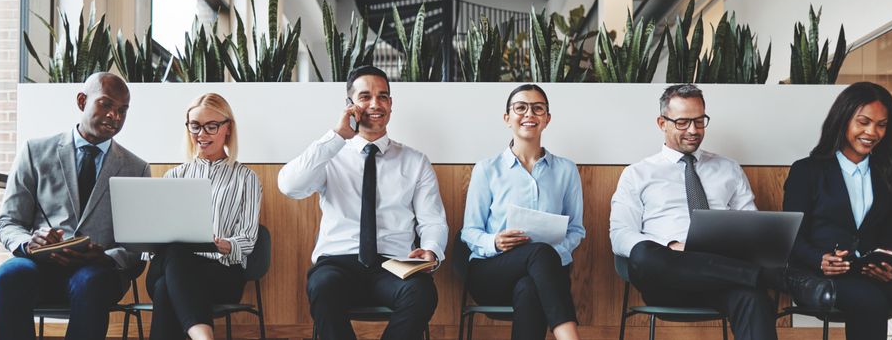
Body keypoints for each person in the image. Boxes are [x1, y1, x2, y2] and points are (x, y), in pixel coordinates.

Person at [609, 84, 835, 340]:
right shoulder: (637, 174)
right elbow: (620, 236)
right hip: (668, 279)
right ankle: (778, 279)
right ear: (662, 123)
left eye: (699, 121)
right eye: (682, 122)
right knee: (643, 254)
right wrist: (670, 246)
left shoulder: (728, 169)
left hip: (724, 280)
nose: (693, 130)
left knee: (752, 297)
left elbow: (753, 228)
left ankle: (761, 278)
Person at [278, 65, 448, 340]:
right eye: (365, 96)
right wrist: (336, 136)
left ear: (391, 105)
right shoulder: (330, 154)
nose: (375, 104)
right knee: (322, 286)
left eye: (383, 97)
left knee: (422, 292)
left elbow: (433, 220)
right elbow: (289, 185)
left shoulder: (415, 161)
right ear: (350, 105)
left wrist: (431, 249)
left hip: (394, 265)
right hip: (337, 263)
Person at [783, 82, 892, 339]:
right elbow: (791, 238)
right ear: (843, 120)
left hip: (870, 273)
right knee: (870, 300)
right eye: (863, 122)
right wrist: (820, 259)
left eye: (881, 125)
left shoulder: (887, 172)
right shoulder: (807, 171)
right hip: (822, 274)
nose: (872, 132)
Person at [0, 72, 151, 340]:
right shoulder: (34, 151)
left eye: (123, 110)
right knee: (10, 274)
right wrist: (29, 243)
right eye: (106, 104)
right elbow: (8, 222)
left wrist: (104, 256)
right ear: (82, 101)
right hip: (39, 265)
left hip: (97, 273)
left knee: (92, 282)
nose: (115, 116)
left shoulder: (137, 168)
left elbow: (137, 249)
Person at [461, 84, 585, 340]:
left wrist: (553, 254)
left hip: (543, 276)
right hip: (492, 272)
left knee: (530, 284)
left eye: (538, 108)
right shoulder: (486, 169)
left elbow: (576, 230)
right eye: (521, 108)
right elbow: (469, 231)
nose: (529, 113)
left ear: (547, 119)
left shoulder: (566, 170)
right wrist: (494, 241)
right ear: (507, 118)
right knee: (539, 254)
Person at [146, 93, 263, 340]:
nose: (202, 134)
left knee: (163, 289)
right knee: (176, 251)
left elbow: (249, 239)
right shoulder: (174, 177)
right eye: (195, 126)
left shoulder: (246, 178)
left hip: (220, 274)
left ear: (228, 128)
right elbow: (153, 244)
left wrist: (226, 244)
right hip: (171, 266)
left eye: (211, 126)